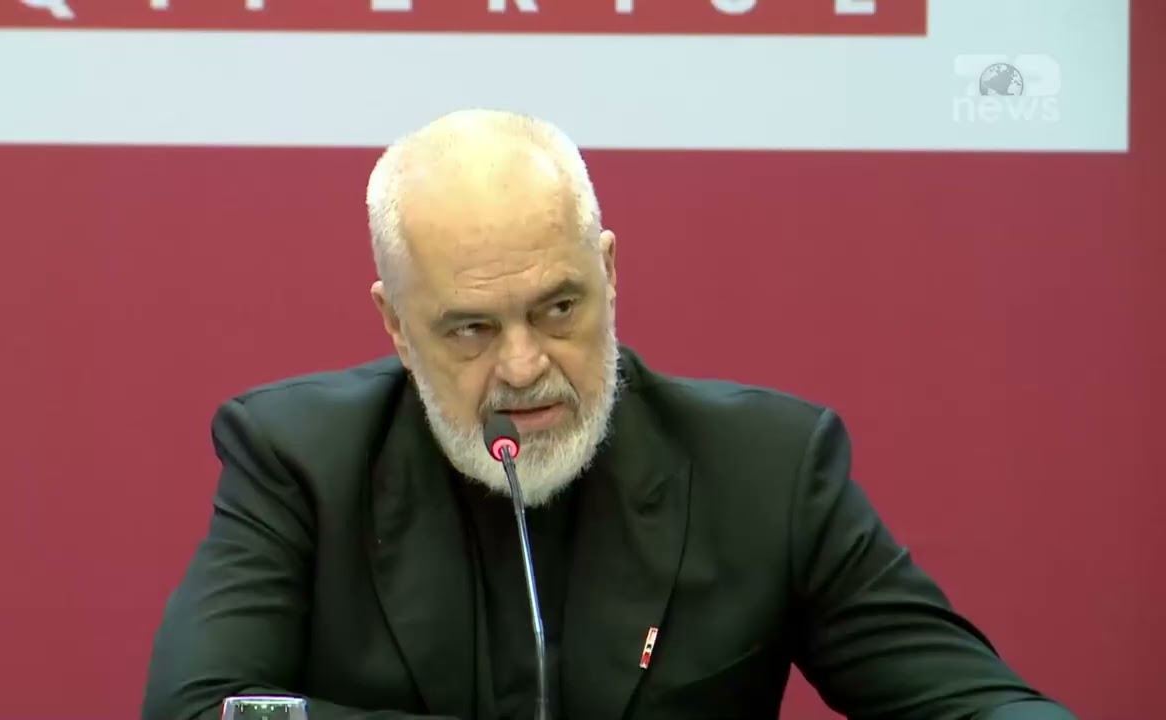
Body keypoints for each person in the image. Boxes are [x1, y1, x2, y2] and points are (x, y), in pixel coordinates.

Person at [141, 109, 1075, 720]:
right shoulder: (300, 461)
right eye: (470, 329)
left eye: (558, 308)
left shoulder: (769, 470)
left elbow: (970, 701)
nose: (524, 367)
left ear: (610, 274)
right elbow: (199, 710)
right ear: (396, 325)